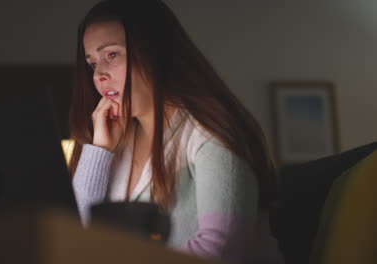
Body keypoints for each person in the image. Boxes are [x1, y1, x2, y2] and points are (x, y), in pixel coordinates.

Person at [69, 0, 284, 263]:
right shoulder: (119, 141)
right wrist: (99, 150)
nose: (99, 74)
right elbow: (76, 239)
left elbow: (222, 252)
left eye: (112, 55)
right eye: (92, 63)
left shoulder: (211, 130)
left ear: (155, 53)